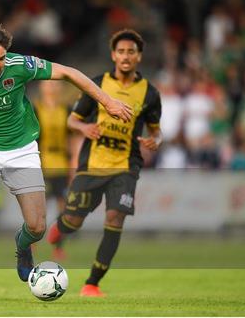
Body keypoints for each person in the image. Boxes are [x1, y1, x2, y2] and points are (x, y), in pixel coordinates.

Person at [0, 22, 132, 303]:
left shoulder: (21, 66)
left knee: (37, 226)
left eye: (1, 58)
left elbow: (68, 72)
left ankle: (22, 245)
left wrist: (108, 102)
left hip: (22, 151)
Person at [46, 29, 162, 297]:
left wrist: (156, 138)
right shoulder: (96, 84)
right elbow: (72, 120)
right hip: (92, 165)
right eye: (121, 51)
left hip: (125, 166)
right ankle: (59, 229)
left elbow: (156, 129)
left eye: (131, 51)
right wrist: (84, 129)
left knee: (115, 217)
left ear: (139, 56)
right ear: (113, 55)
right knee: (73, 221)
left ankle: (92, 284)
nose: (125, 56)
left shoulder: (150, 94)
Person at [34, 81, 70, 260]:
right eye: (48, 85)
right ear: (42, 87)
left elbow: (72, 139)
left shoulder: (67, 110)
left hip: (62, 165)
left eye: (55, 85)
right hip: (42, 165)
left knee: (63, 210)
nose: (52, 88)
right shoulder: (35, 109)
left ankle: (58, 246)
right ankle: (31, 245)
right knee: (39, 209)